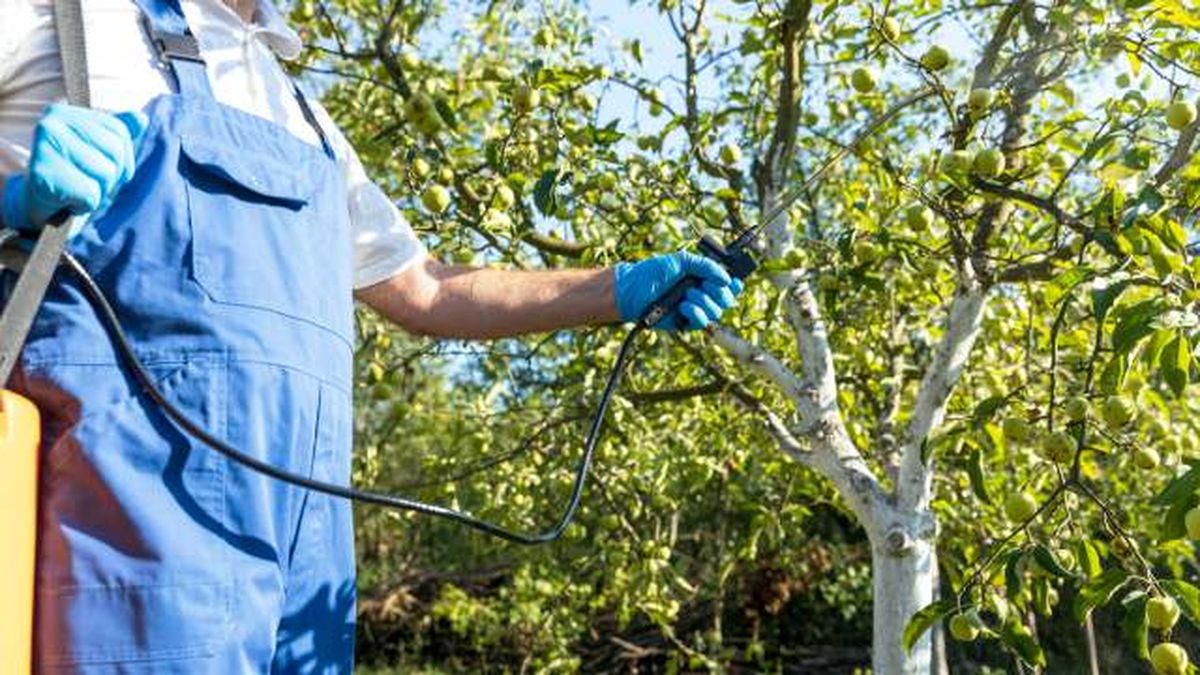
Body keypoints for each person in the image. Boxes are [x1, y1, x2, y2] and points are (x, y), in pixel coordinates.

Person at [0, 0, 744, 671]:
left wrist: (618, 287)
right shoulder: (59, 20)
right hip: (137, 532)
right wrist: (13, 199)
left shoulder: (300, 112)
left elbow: (427, 288)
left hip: (308, 557)